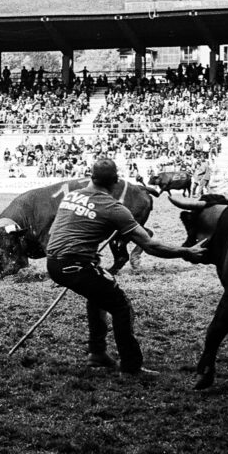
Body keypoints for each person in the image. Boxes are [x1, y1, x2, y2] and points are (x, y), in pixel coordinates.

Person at [45, 158, 205, 377]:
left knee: (98, 296)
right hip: (76, 267)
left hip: (54, 263)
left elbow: (56, 232)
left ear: (91, 177)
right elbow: (150, 245)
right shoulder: (113, 208)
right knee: (121, 308)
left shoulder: (71, 196)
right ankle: (131, 367)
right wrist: (185, 251)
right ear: (115, 181)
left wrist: (84, 248)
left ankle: (97, 353)